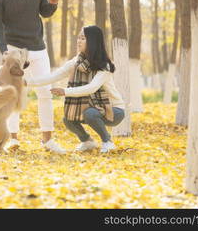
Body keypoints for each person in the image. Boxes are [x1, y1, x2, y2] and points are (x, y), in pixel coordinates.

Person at [0, 0, 65, 154]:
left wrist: (53, 3)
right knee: (13, 94)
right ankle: (13, 139)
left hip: (38, 48)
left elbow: (45, 12)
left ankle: (47, 140)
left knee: (45, 93)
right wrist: (6, 52)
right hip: (14, 50)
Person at [26, 25, 125, 153]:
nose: (79, 41)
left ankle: (107, 141)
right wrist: (25, 82)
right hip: (91, 108)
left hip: (114, 110)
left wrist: (65, 92)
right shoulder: (76, 62)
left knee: (90, 114)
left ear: (93, 41)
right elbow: (52, 76)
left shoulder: (104, 65)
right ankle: (87, 142)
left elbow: (91, 88)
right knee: (68, 119)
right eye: (78, 38)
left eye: (83, 38)